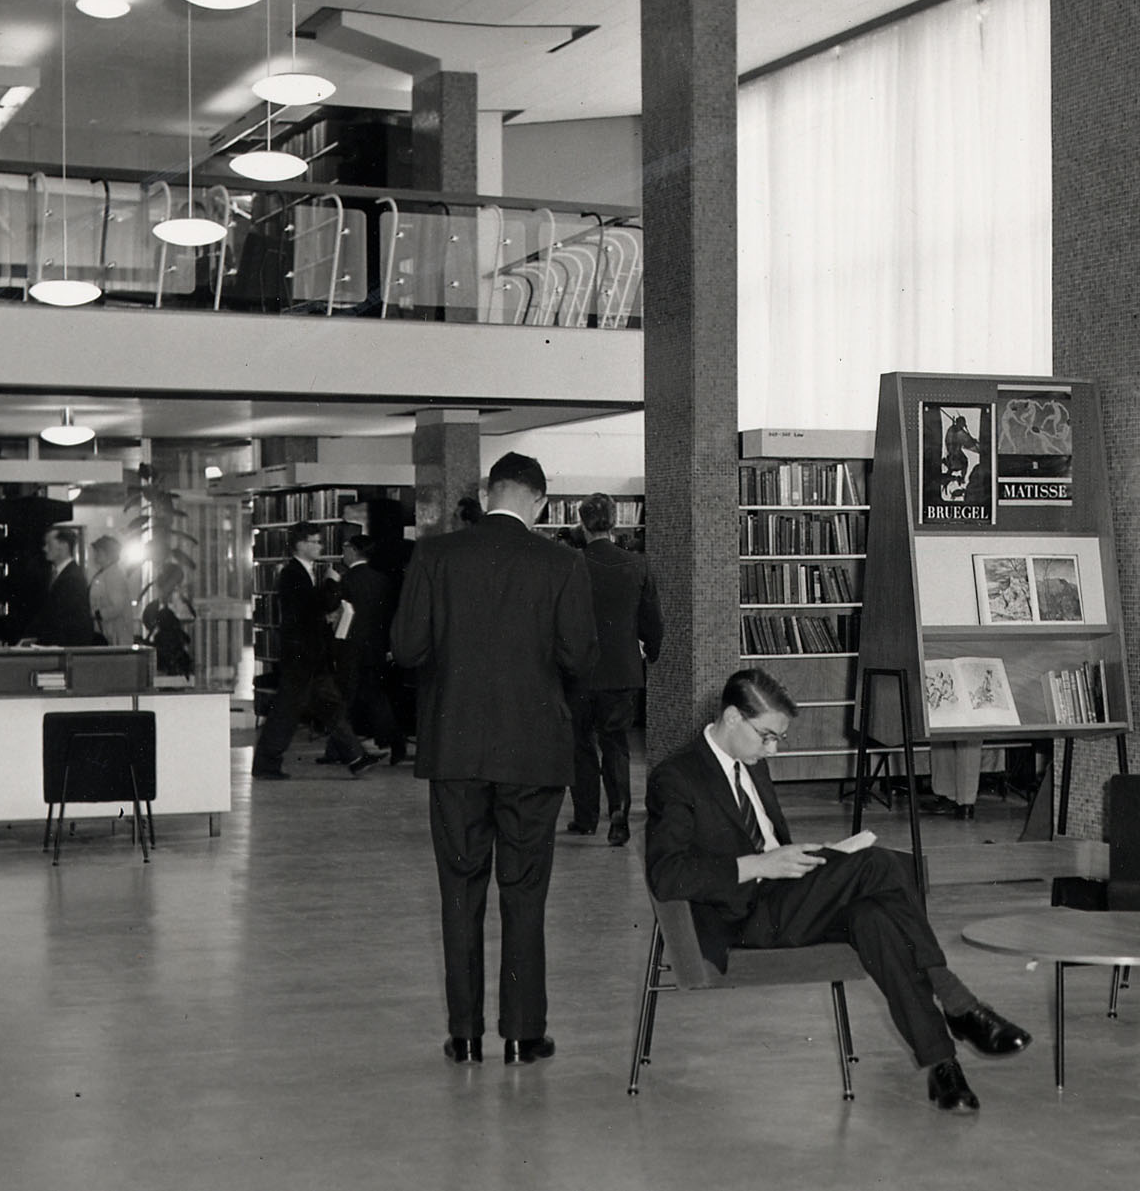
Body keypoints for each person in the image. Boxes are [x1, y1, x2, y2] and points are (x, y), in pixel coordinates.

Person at [646, 668, 1032, 1113]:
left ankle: (945, 1067)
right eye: (766, 736)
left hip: (787, 896)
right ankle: (957, 1000)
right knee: (882, 863)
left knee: (877, 918)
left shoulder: (750, 761)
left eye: (778, 739)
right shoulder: (676, 777)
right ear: (732, 717)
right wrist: (761, 863)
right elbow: (667, 873)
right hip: (743, 917)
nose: (772, 748)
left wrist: (798, 856)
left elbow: (769, 839)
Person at [391, 452, 597, 1066]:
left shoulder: (434, 556)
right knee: (525, 891)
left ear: (486, 495)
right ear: (539, 500)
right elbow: (580, 657)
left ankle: (465, 1035)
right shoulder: (564, 563)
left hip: (454, 751)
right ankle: (521, 1034)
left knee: (460, 889)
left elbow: (406, 649)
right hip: (534, 753)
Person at [567, 492, 662, 847]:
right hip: (622, 671)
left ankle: (586, 816)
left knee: (580, 744)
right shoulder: (637, 565)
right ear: (615, 521)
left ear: (582, 522)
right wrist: (651, 652)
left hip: (579, 671)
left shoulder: (571, 564)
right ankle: (619, 811)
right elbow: (653, 618)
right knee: (616, 744)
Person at [251, 524, 374, 780]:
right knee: (289, 710)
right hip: (301, 655)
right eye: (315, 541)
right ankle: (266, 763)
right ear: (300, 544)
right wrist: (330, 583)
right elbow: (311, 606)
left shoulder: (302, 572)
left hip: (309, 655)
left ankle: (356, 757)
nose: (320, 546)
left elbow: (310, 609)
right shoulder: (293, 574)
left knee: (328, 705)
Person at [335, 534, 406, 766]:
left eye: (346, 548)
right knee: (375, 696)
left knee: (343, 697)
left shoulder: (346, 581)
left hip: (351, 647)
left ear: (354, 551)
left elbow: (340, 615)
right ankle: (396, 742)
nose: (343, 553)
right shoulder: (382, 580)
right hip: (375, 647)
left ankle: (341, 749)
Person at [27, 527, 99, 647]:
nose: (44, 548)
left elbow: (63, 620)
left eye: (48, 544)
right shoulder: (64, 574)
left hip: (66, 648)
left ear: (64, 546)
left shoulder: (72, 578)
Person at [87, 535, 135, 646]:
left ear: (108, 554)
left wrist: (96, 614)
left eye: (99, 552)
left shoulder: (114, 575)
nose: (96, 555)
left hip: (115, 633)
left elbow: (117, 606)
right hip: (106, 630)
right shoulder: (104, 573)